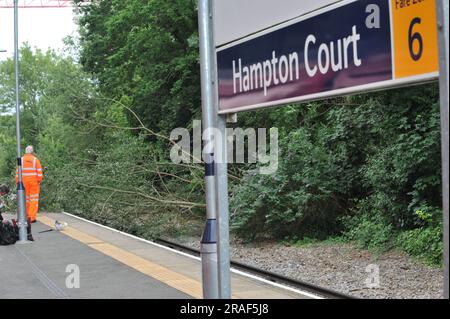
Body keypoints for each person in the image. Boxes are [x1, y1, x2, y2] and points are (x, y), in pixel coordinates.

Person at [15, 145, 43, 223]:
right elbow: (39, 172)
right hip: (34, 183)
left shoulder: (21, 160)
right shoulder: (35, 160)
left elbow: (18, 172)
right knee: (33, 199)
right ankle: (32, 218)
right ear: (32, 152)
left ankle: (26, 216)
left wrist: (18, 181)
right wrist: (39, 180)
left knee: (25, 200)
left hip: (24, 183)